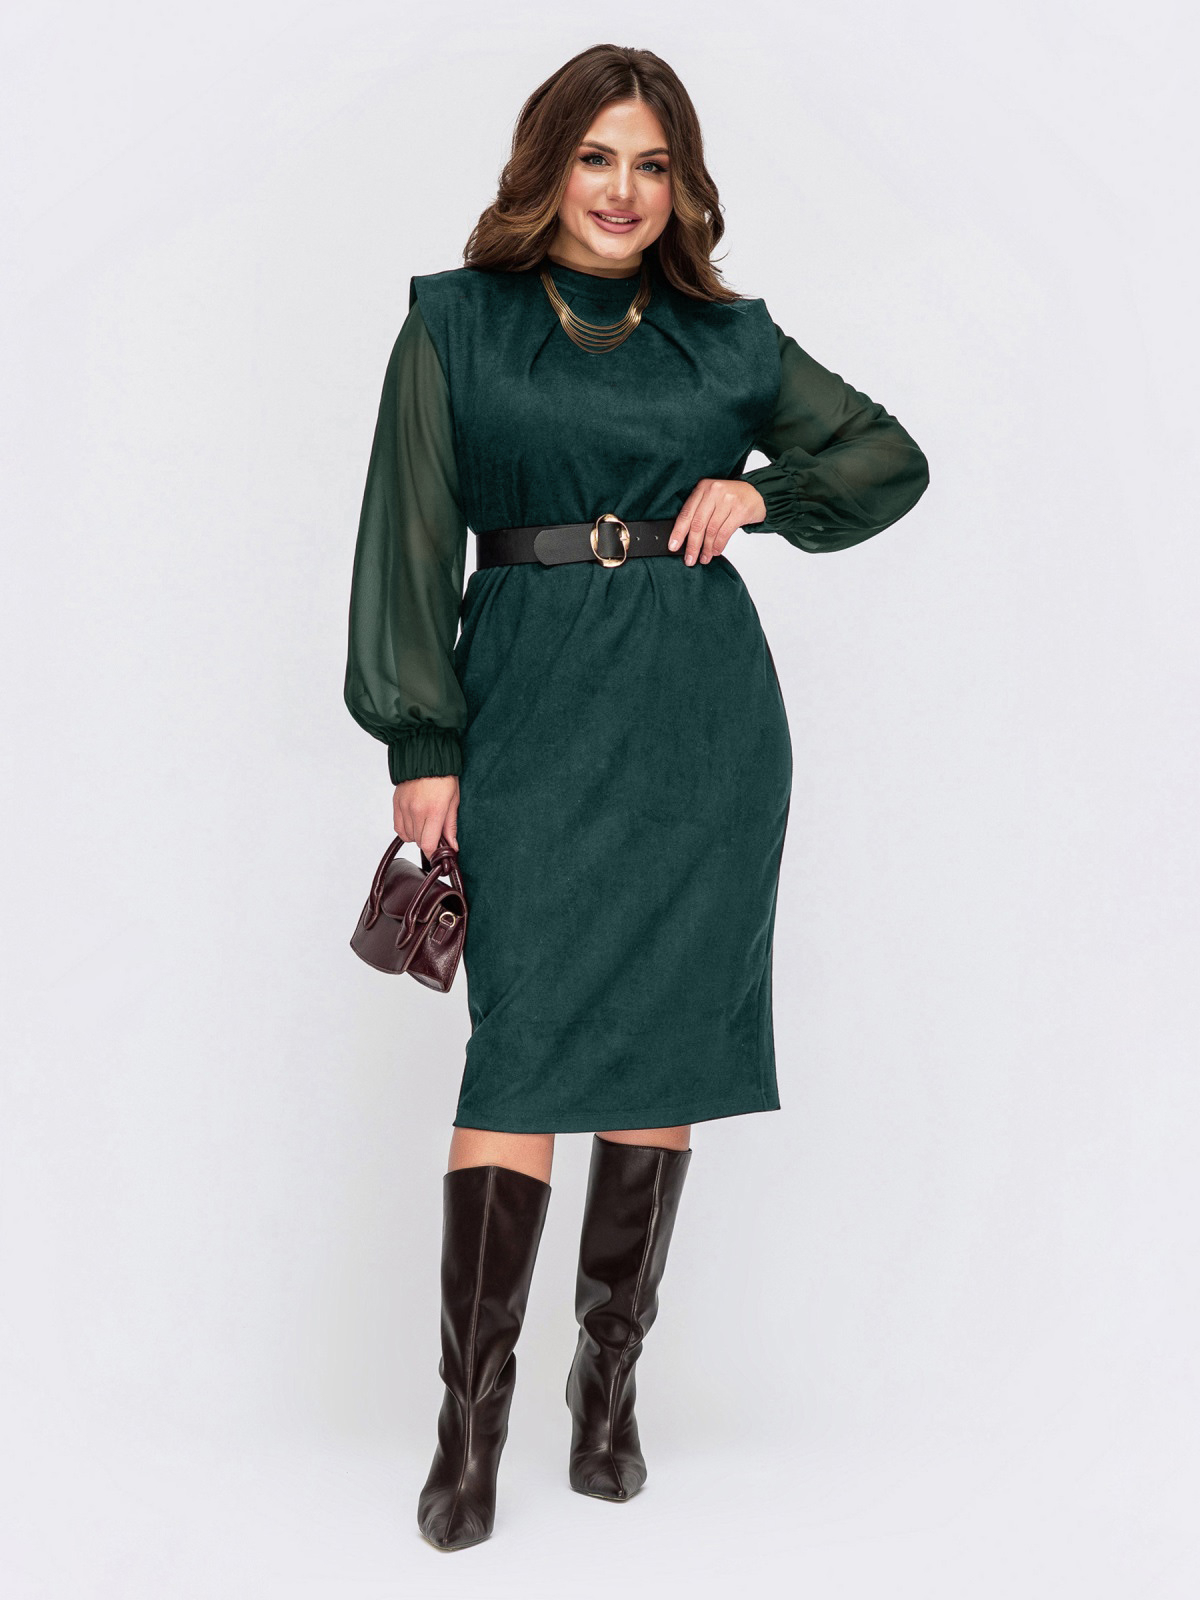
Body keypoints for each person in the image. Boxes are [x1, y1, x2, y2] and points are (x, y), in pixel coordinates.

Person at [343, 43, 929, 1552]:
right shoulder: (457, 325)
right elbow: (408, 532)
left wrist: (764, 493)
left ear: (684, 186)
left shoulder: (728, 341)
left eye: (652, 165)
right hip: (529, 713)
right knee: (518, 1052)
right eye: (597, 158)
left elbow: (888, 458)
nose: (623, 191)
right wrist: (421, 741)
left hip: (698, 727)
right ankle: (468, 1427)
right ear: (549, 168)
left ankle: (606, 1390)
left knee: (662, 1042)